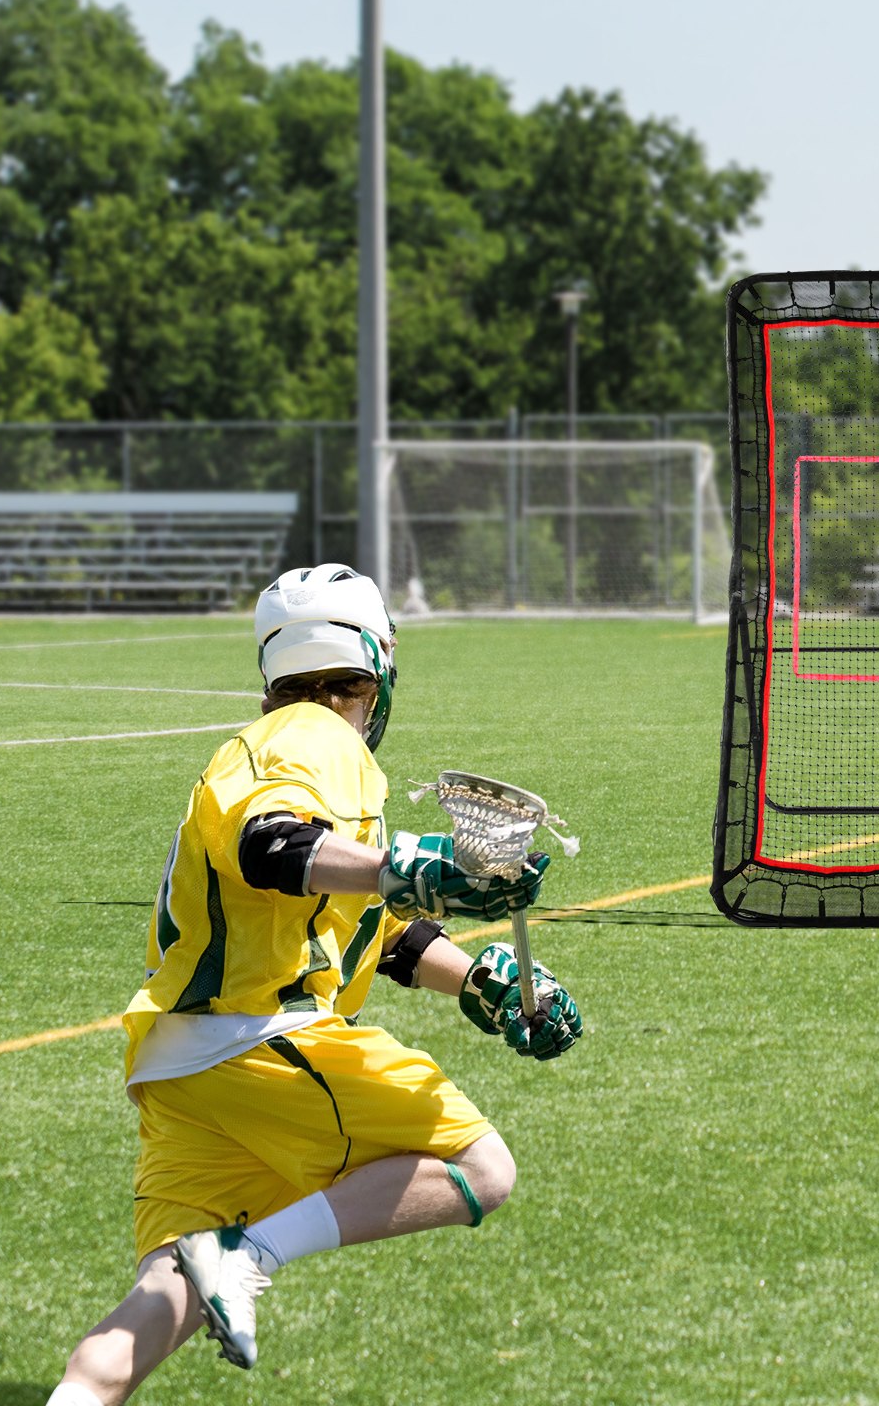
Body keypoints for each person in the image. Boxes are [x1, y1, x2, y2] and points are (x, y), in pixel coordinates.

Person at [45, 564, 582, 1406]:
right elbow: (276, 846)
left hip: (180, 1069)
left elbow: (369, 926)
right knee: (480, 1167)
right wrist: (409, 865)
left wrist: (478, 978)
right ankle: (248, 1256)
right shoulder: (319, 734)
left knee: (145, 1319)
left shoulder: (280, 737)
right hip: (252, 1040)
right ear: (379, 666)